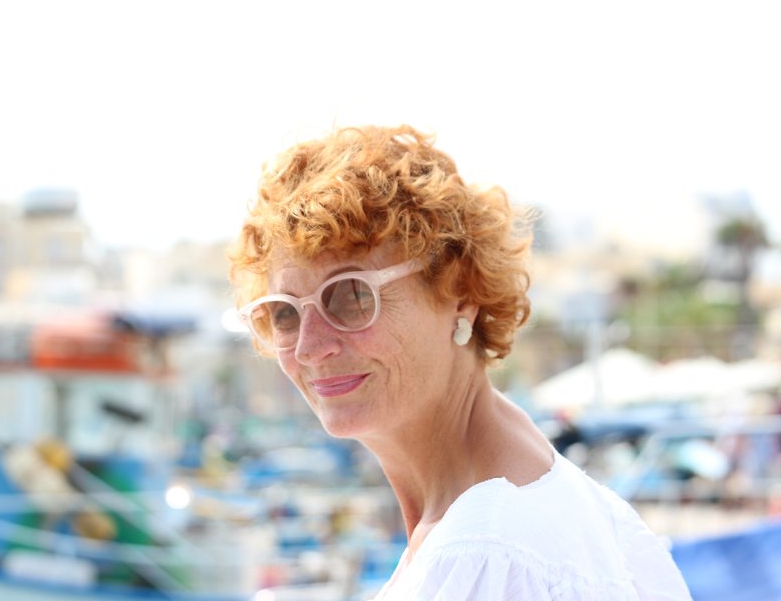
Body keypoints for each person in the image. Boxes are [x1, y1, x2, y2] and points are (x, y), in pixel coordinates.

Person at [228, 124, 691, 600]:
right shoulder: (568, 506)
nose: (308, 347)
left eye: (351, 296)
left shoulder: (483, 556)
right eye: (283, 313)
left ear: (461, 293)